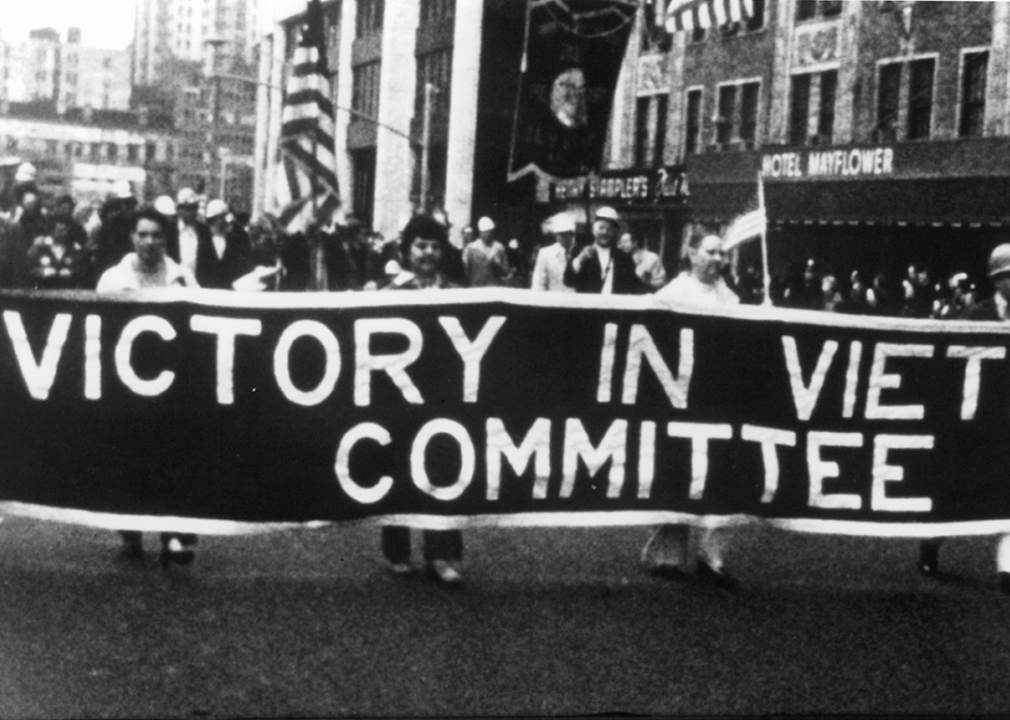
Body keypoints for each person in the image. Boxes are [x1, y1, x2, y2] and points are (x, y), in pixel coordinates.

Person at [96, 207, 199, 568]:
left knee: (171, 462)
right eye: (143, 234)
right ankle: (132, 534)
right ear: (132, 238)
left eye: (157, 235)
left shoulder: (182, 280)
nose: (150, 242)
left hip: (171, 392)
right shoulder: (112, 280)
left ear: (166, 240)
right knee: (130, 462)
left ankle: (172, 536)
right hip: (126, 392)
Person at [648, 232, 741, 592]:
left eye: (722, 253)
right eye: (711, 251)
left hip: (716, 396)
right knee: (677, 473)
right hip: (678, 398)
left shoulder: (730, 298)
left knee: (718, 476)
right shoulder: (669, 295)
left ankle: (712, 558)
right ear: (691, 253)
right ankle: (667, 556)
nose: (718, 259)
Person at [918, 244, 1010, 595]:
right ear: (997, 280)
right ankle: (930, 541)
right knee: (956, 491)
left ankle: (1007, 567)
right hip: (974, 418)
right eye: (1008, 277)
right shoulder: (973, 316)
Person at [381, 213, 464, 585]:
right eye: (420, 246)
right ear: (407, 250)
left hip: (443, 397)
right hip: (399, 398)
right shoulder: (389, 294)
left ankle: (442, 554)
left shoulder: (461, 295)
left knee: (445, 472)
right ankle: (398, 551)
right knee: (399, 470)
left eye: (434, 246)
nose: (428, 253)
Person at [564, 206, 645, 295]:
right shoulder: (580, 251)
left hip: (614, 307)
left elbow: (634, 286)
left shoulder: (624, 257)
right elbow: (568, 281)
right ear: (593, 230)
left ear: (616, 232)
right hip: (586, 306)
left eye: (609, 229)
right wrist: (579, 260)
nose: (605, 232)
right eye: (601, 228)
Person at [199, 199, 251, 289]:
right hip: (208, 292)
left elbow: (243, 266)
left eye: (214, 220)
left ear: (223, 218)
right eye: (210, 221)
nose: (211, 224)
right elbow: (201, 269)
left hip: (230, 292)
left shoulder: (236, 240)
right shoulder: (204, 239)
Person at [531, 214, 576, 292]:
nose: (568, 237)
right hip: (554, 301)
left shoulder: (581, 253)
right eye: (564, 234)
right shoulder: (546, 254)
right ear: (556, 235)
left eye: (571, 234)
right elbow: (538, 284)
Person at [462, 216, 511, 287]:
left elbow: (506, 272)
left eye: (490, 231)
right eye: (485, 232)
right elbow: (465, 270)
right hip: (476, 288)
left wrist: (499, 264)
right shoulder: (471, 248)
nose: (488, 234)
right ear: (480, 232)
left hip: (494, 289)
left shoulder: (499, 248)